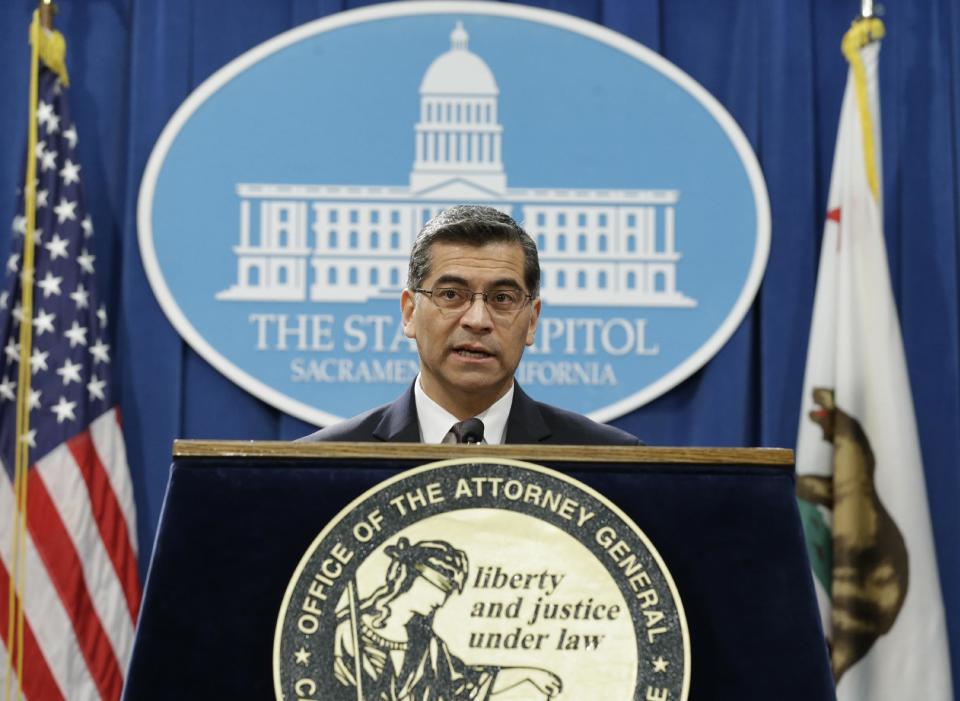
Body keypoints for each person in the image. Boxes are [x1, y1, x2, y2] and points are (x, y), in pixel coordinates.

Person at [301, 205, 640, 445]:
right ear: (409, 313)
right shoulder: (323, 465)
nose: (477, 320)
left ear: (532, 320)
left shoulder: (608, 464)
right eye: (451, 295)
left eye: (502, 298)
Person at [333, 537, 562, 700]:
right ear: (410, 578)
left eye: (448, 591)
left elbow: (465, 684)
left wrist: (528, 675)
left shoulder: (427, 644)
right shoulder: (349, 631)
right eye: (438, 586)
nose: (441, 600)